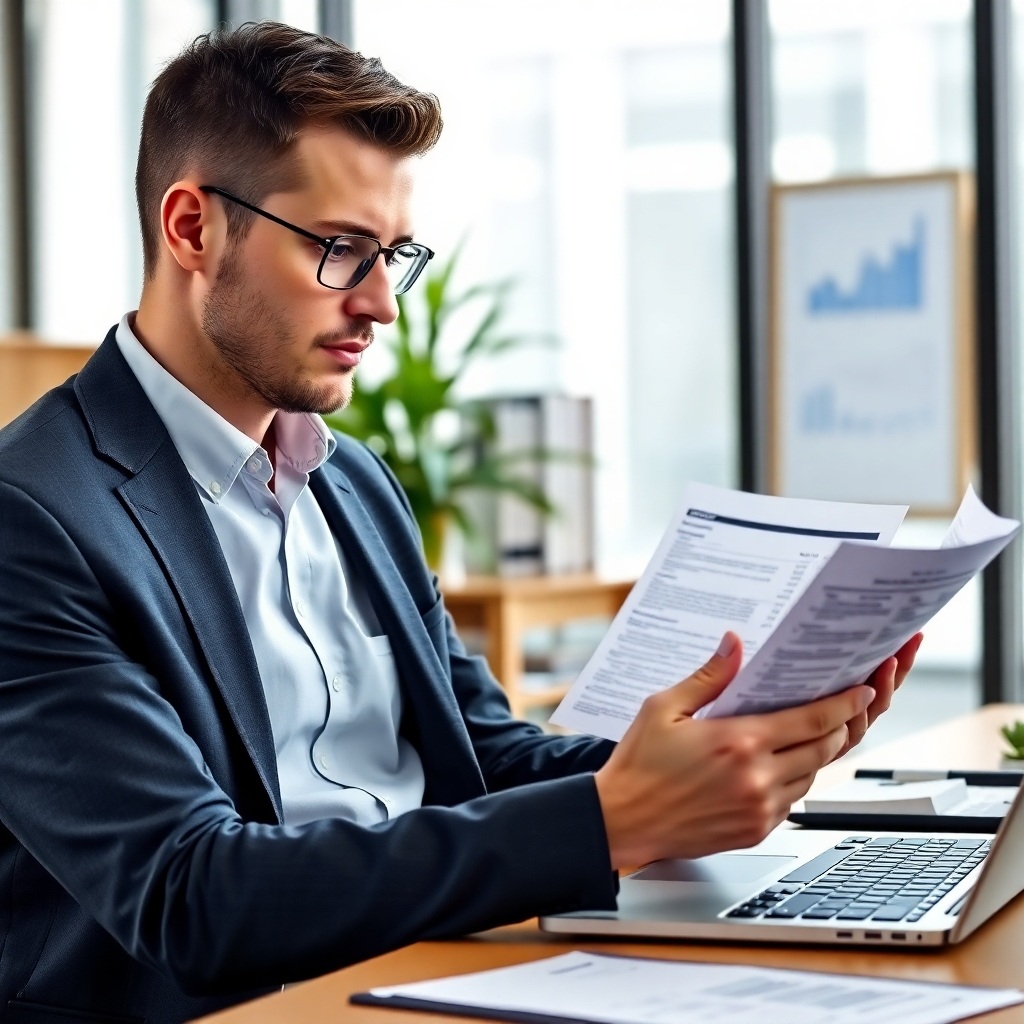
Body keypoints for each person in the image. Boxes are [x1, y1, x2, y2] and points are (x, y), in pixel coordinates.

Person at [0, 22, 921, 1024]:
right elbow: (189, 897)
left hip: (431, 973)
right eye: (340, 250)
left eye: (392, 256)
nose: (382, 305)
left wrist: (728, 752)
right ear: (192, 229)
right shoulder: (33, 517)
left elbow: (481, 758)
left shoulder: (352, 484)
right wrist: (610, 819)